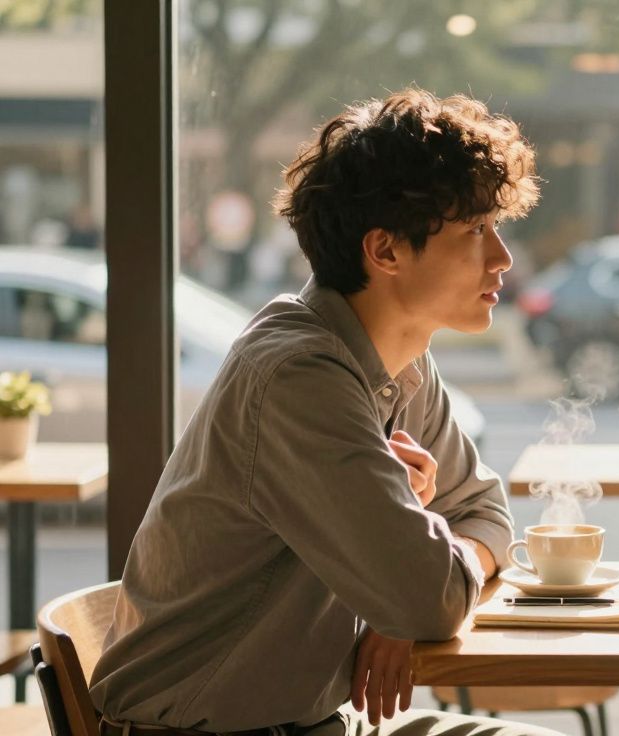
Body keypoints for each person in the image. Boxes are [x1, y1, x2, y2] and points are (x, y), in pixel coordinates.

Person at [89, 89, 563, 736]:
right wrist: (416, 583)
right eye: (475, 230)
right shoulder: (300, 376)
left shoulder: (402, 361)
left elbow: (486, 516)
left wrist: (411, 588)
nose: (503, 257)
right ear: (386, 251)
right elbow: (434, 596)